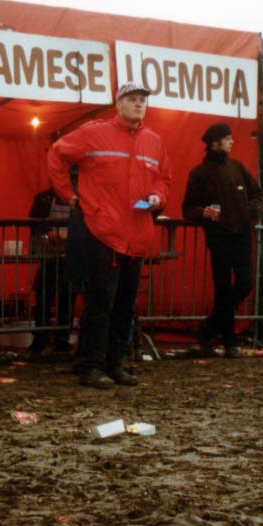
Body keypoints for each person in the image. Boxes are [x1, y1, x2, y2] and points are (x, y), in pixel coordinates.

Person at [48, 82, 172, 388]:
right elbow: (57, 154)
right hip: (103, 231)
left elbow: (163, 178)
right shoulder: (93, 132)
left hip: (136, 235)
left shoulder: (154, 141)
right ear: (117, 103)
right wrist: (68, 195)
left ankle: (115, 363)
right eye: (132, 99)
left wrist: (158, 196)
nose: (139, 104)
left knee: (125, 304)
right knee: (101, 301)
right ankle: (89, 365)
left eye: (143, 99)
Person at [182, 122, 263, 357]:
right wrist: (203, 213)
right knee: (223, 288)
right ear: (214, 143)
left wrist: (250, 211)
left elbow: (257, 193)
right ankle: (229, 341)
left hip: (242, 235)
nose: (232, 141)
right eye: (227, 138)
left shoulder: (237, 167)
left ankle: (210, 327)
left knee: (245, 283)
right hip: (217, 237)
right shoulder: (198, 173)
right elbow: (187, 208)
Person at [28, 187, 73, 355]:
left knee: (66, 297)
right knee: (43, 297)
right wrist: (49, 233)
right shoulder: (43, 198)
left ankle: (61, 339)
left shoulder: (80, 198)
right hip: (49, 257)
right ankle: (41, 338)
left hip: (69, 257)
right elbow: (34, 225)